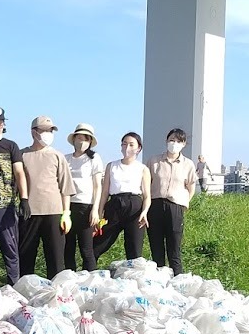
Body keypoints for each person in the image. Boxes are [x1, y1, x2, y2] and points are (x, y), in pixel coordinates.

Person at [19, 115, 74, 279]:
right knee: (26, 258)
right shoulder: (22, 155)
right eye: (44, 130)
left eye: (51, 131)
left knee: (56, 260)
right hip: (29, 213)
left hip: (54, 212)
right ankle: (25, 292)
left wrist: (66, 213)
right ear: (34, 132)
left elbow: (66, 188)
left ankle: (56, 296)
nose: (48, 134)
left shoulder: (58, 156)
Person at [0, 106, 28, 285]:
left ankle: (14, 285)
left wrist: (24, 199)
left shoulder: (11, 146)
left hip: (6, 206)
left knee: (10, 248)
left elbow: (19, 172)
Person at [93, 131, 152, 263]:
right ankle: (90, 272)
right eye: (124, 144)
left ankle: (133, 278)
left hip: (134, 206)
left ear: (138, 148)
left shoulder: (143, 169)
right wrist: (99, 212)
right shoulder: (112, 166)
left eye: (131, 145)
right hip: (114, 204)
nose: (127, 148)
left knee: (134, 249)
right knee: (97, 245)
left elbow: (147, 195)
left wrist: (144, 212)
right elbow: (104, 192)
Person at [146, 128, 197, 274]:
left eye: (178, 141)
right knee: (156, 246)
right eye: (171, 140)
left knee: (174, 247)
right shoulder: (154, 161)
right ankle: (159, 278)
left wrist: (184, 202)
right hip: (155, 205)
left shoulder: (188, 164)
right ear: (166, 141)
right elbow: (146, 183)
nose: (174, 144)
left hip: (175, 206)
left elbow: (191, 186)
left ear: (184, 144)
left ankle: (177, 278)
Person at [64, 123, 104, 272]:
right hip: (68, 206)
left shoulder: (94, 159)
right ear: (74, 139)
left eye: (85, 139)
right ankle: (69, 278)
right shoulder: (65, 159)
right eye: (79, 138)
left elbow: (97, 186)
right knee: (68, 247)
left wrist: (95, 210)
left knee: (86, 249)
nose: (81, 142)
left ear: (90, 142)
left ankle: (90, 279)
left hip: (86, 206)